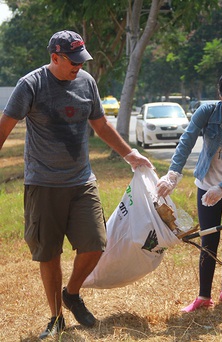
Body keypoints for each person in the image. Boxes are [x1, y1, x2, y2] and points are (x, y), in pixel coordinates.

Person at [0, 30, 154, 339]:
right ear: (54, 58)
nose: (78, 68)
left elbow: (100, 124)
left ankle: (71, 293)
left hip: (82, 180)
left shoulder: (87, 83)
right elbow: (5, 127)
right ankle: (56, 317)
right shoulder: (30, 85)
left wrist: (130, 154)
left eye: (82, 61)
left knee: (96, 243)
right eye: (72, 62)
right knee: (49, 253)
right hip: (43, 183)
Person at [157, 71, 222, 312]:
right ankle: (203, 296)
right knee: (208, 240)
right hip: (206, 185)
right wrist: (173, 173)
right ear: (220, 95)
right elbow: (187, 140)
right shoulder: (206, 112)